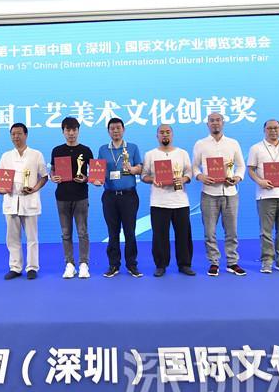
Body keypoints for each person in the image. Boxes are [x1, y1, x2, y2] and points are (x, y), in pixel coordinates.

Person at [192, 112, 247, 276]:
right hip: (209, 193)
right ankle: (213, 262)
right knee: (210, 232)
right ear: (207, 124)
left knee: (232, 231)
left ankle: (232, 262)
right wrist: (200, 176)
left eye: (218, 120)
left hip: (230, 193)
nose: (215, 123)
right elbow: (194, 167)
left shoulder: (233, 143)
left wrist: (237, 178)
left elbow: (241, 166)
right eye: (212, 121)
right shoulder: (200, 144)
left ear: (223, 123)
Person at [141, 124, 195, 277]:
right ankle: (160, 265)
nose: (165, 135)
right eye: (161, 132)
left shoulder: (182, 153)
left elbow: (189, 172)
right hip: (159, 202)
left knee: (183, 235)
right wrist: (153, 179)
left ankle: (184, 264)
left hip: (180, 201)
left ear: (172, 134)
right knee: (160, 236)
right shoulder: (150, 154)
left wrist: (183, 179)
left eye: (168, 132)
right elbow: (143, 176)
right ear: (157, 136)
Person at [0, 123, 49, 280]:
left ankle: (32, 267)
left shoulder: (36, 154)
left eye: (19, 133)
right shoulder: (6, 156)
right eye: (13, 134)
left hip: (29, 200)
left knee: (32, 237)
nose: (16, 137)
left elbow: (44, 176)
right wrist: (1, 189)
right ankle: (15, 267)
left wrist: (34, 189)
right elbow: (0, 179)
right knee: (12, 237)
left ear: (26, 135)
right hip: (11, 201)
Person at [246, 119, 279, 274]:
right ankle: (267, 261)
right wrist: (260, 181)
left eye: (276, 128)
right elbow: (251, 170)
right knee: (266, 230)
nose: (273, 131)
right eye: (269, 128)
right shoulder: (256, 148)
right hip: (265, 195)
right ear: (264, 130)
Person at [96, 118, 143, 278]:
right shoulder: (103, 149)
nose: (115, 131)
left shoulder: (132, 147)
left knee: (130, 231)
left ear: (123, 130)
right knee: (113, 232)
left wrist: (132, 169)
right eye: (112, 128)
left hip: (129, 196)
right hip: (110, 196)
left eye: (118, 128)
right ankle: (113, 265)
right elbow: (99, 171)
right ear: (108, 131)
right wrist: (97, 180)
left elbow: (140, 168)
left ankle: (132, 265)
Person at [50, 117, 93, 279]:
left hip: (81, 196)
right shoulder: (57, 150)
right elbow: (53, 170)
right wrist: (53, 176)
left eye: (74, 130)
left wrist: (86, 178)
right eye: (68, 130)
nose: (71, 133)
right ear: (63, 132)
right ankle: (69, 264)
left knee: (82, 232)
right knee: (66, 233)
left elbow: (94, 173)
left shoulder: (86, 150)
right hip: (62, 197)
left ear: (78, 131)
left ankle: (83, 264)